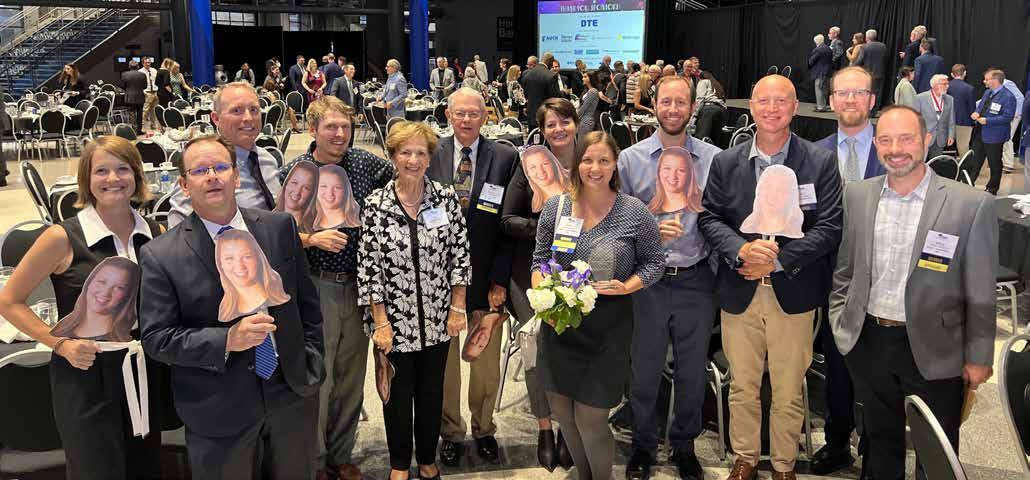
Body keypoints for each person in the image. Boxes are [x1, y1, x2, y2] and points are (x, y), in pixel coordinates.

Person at [139, 134, 324, 479]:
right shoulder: (161, 255)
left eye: (221, 167)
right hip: (218, 407)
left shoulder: (278, 228)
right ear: (184, 185)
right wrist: (226, 340)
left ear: (236, 177)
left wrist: (311, 359)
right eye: (199, 171)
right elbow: (156, 338)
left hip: (291, 394)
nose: (212, 176)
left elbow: (307, 304)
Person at [828, 104, 996, 480]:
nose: (896, 149)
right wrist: (842, 322)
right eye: (886, 140)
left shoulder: (970, 204)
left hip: (938, 345)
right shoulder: (857, 195)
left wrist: (979, 355)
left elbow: (981, 290)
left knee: (935, 449)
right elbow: (846, 268)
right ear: (875, 144)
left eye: (906, 139)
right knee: (878, 440)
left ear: (927, 140)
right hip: (869, 340)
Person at [0, 136, 171, 480]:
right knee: (95, 470)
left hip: (142, 368)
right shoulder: (62, 237)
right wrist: (59, 343)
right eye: (101, 171)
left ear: (137, 175)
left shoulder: (155, 232)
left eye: (123, 169)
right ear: (86, 179)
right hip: (85, 372)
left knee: (145, 466)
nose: (113, 179)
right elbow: (8, 300)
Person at [698, 74, 843, 480]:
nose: (772, 108)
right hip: (740, 289)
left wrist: (778, 261)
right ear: (751, 106)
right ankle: (744, 459)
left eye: (782, 100)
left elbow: (829, 227)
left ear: (795, 108)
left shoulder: (819, 161)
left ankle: (783, 465)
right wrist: (741, 250)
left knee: (788, 388)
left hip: (793, 292)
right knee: (742, 385)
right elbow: (709, 218)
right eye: (763, 100)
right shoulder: (726, 163)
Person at [532, 131, 665, 480]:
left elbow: (655, 263)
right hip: (560, 325)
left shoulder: (633, 211)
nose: (595, 168)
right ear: (576, 164)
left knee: (590, 418)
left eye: (604, 160)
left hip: (608, 329)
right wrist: (543, 298)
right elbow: (540, 260)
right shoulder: (556, 207)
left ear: (615, 164)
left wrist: (627, 287)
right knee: (564, 414)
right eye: (588, 160)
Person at [277, 96, 392, 480]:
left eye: (346, 126)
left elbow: (404, 182)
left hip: (361, 286)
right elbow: (275, 233)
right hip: (316, 286)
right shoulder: (297, 171)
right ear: (313, 129)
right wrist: (310, 239)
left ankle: (341, 454)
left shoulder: (366, 164)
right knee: (320, 378)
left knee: (351, 377)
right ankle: (314, 461)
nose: (340, 134)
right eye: (331, 126)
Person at [618, 75, 721, 480]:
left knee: (692, 372)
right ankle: (642, 446)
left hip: (697, 278)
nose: (673, 109)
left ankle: (684, 446)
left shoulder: (714, 159)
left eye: (681, 102)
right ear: (654, 104)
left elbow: (723, 218)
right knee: (644, 371)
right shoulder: (631, 160)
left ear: (693, 107)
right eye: (666, 102)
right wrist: (648, 231)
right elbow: (616, 222)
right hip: (649, 281)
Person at [359, 121, 470, 480]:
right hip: (393, 323)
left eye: (421, 152)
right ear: (393, 156)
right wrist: (380, 322)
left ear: (430, 158)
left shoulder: (445, 198)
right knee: (395, 394)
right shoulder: (376, 205)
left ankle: (426, 459)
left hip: (438, 319)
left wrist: (457, 307)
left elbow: (460, 255)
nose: (413, 159)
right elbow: (369, 267)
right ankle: (398, 464)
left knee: (431, 392)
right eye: (405, 152)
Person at [428, 88, 519, 467]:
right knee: (445, 363)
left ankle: (484, 428)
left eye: (474, 113)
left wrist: (500, 280)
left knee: (485, 363)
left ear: (485, 116)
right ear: (448, 115)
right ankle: (451, 431)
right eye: (460, 113)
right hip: (439, 280)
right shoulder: (429, 151)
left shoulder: (505, 157)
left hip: (487, 278)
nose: (466, 120)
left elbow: (509, 224)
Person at [810, 66, 886, 476]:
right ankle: (837, 441)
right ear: (832, 100)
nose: (851, 100)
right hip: (831, 277)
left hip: (883, 279)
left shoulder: (894, 148)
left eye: (859, 92)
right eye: (843, 93)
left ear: (872, 99)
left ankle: (877, 445)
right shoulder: (814, 153)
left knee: (878, 370)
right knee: (837, 365)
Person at [500, 101, 580, 471]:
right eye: (551, 124)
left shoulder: (590, 160)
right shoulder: (529, 163)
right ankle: (545, 426)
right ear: (542, 130)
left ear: (576, 124)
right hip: (529, 271)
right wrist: (546, 231)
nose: (559, 129)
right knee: (537, 345)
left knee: (571, 348)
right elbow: (507, 218)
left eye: (565, 121)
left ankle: (568, 427)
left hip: (578, 271)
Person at [168, 82, 283, 227]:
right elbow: (179, 231)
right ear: (216, 118)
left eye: (254, 109)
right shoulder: (201, 168)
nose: (248, 118)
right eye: (237, 111)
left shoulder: (267, 159)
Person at [50, 257, 139, 342]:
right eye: (102, 282)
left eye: (119, 287)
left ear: (128, 295)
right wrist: (59, 344)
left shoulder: (130, 339)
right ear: (89, 282)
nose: (106, 292)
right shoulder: (62, 329)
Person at [214, 229, 291, 322]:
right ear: (220, 264)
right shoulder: (223, 313)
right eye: (229, 258)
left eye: (247, 257)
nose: (239, 266)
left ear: (258, 259)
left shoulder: (282, 295)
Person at [968, 69, 1017, 194]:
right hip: (980, 133)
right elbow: (981, 107)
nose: (984, 81)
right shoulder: (987, 92)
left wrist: (988, 120)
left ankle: (992, 188)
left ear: (995, 80)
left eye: (987, 79)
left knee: (994, 163)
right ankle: (968, 183)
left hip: (995, 136)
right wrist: (976, 113)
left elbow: (1008, 117)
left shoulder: (1008, 97)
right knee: (975, 161)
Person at [915, 74, 955, 159]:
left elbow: (951, 119)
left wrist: (951, 135)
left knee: (936, 164)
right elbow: (915, 119)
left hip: (940, 138)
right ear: (934, 85)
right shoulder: (920, 98)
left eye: (947, 84)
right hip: (924, 138)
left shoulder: (950, 99)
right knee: (920, 162)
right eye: (944, 84)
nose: (947, 86)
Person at [275, 159, 318, 232]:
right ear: (286, 183)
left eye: (306, 188)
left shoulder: (317, 229)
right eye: (294, 183)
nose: (297, 191)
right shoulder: (265, 219)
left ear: (312, 194)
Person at [313, 165, 362, 230]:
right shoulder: (308, 225)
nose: (330, 193)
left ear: (346, 190)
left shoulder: (361, 221)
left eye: (337, 187)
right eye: (323, 186)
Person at [521, 54, 559, 129]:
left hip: (531, 116)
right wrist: (564, 93)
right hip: (546, 116)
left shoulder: (527, 75)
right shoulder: (551, 76)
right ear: (550, 61)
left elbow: (525, 95)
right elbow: (555, 97)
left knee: (532, 136)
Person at [948, 64, 976, 157]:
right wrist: (973, 122)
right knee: (963, 147)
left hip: (947, 122)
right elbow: (972, 108)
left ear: (952, 74)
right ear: (965, 73)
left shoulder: (946, 86)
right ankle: (965, 166)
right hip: (964, 121)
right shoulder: (969, 88)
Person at [855, 29, 887, 111]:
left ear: (867, 37)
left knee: (867, 92)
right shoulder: (883, 46)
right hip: (880, 73)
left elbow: (859, 60)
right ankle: (874, 110)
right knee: (877, 93)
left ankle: (867, 109)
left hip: (867, 74)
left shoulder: (864, 47)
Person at [693, 71, 727, 141]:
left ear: (700, 77)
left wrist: (695, 115)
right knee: (714, 139)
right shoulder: (716, 84)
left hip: (708, 110)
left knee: (701, 139)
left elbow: (700, 99)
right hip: (721, 110)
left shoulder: (703, 82)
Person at [1001, 77, 1026, 172]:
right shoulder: (997, 87)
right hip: (1006, 115)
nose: (984, 81)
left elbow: (1020, 98)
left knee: (1007, 138)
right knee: (1004, 138)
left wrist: (1015, 112)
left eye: (987, 79)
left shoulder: (1007, 83)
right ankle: (1003, 162)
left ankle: (1008, 165)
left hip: (1013, 115)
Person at [809, 34, 833, 112]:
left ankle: (820, 107)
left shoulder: (818, 49)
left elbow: (811, 61)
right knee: (825, 89)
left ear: (817, 41)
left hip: (820, 72)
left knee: (819, 89)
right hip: (828, 72)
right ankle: (823, 106)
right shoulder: (828, 48)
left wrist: (809, 63)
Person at [121, 60, 147, 132]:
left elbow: (122, 86)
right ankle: (139, 130)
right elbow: (145, 86)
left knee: (131, 113)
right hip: (140, 96)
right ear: (138, 66)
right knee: (140, 114)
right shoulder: (143, 75)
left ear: (129, 66)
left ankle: (134, 129)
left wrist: (128, 89)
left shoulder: (124, 74)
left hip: (130, 97)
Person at [577, 71, 601, 136]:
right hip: (583, 119)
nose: (582, 79)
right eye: (583, 77)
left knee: (582, 141)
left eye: (585, 77)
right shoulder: (587, 90)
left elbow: (584, 107)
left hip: (586, 121)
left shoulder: (593, 91)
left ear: (591, 78)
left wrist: (575, 117)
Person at [141, 57, 160, 129]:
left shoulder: (154, 70)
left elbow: (157, 81)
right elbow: (139, 84)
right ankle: (141, 126)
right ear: (143, 63)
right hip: (147, 92)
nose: (148, 64)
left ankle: (153, 125)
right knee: (145, 111)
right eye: (146, 62)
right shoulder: (140, 72)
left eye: (149, 62)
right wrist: (144, 92)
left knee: (154, 111)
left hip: (155, 92)